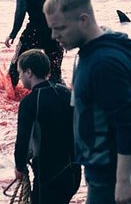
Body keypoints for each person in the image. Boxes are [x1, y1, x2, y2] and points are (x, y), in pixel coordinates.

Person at [44, 0, 131, 204]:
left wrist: (123, 180)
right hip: (102, 166)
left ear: (83, 20)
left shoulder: (103, 63)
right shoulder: (92, 51)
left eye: (60, 28)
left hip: (110, 172)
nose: (54, 36)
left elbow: (129, 122)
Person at [14, 49, 81, 204]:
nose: (19, 78)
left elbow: (22, 139)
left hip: (48, 176)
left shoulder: (29, 102)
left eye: (20, 73)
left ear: (29, 72)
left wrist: (19, 167)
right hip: (73, 172)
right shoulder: (65, 92)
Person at [5, 0, 63, 88]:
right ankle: (57, 100)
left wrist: (13, 33)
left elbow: (21, 7)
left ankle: (10, 100)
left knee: (17, 66)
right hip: (56, 27)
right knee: (54, 71)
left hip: (36, 28)